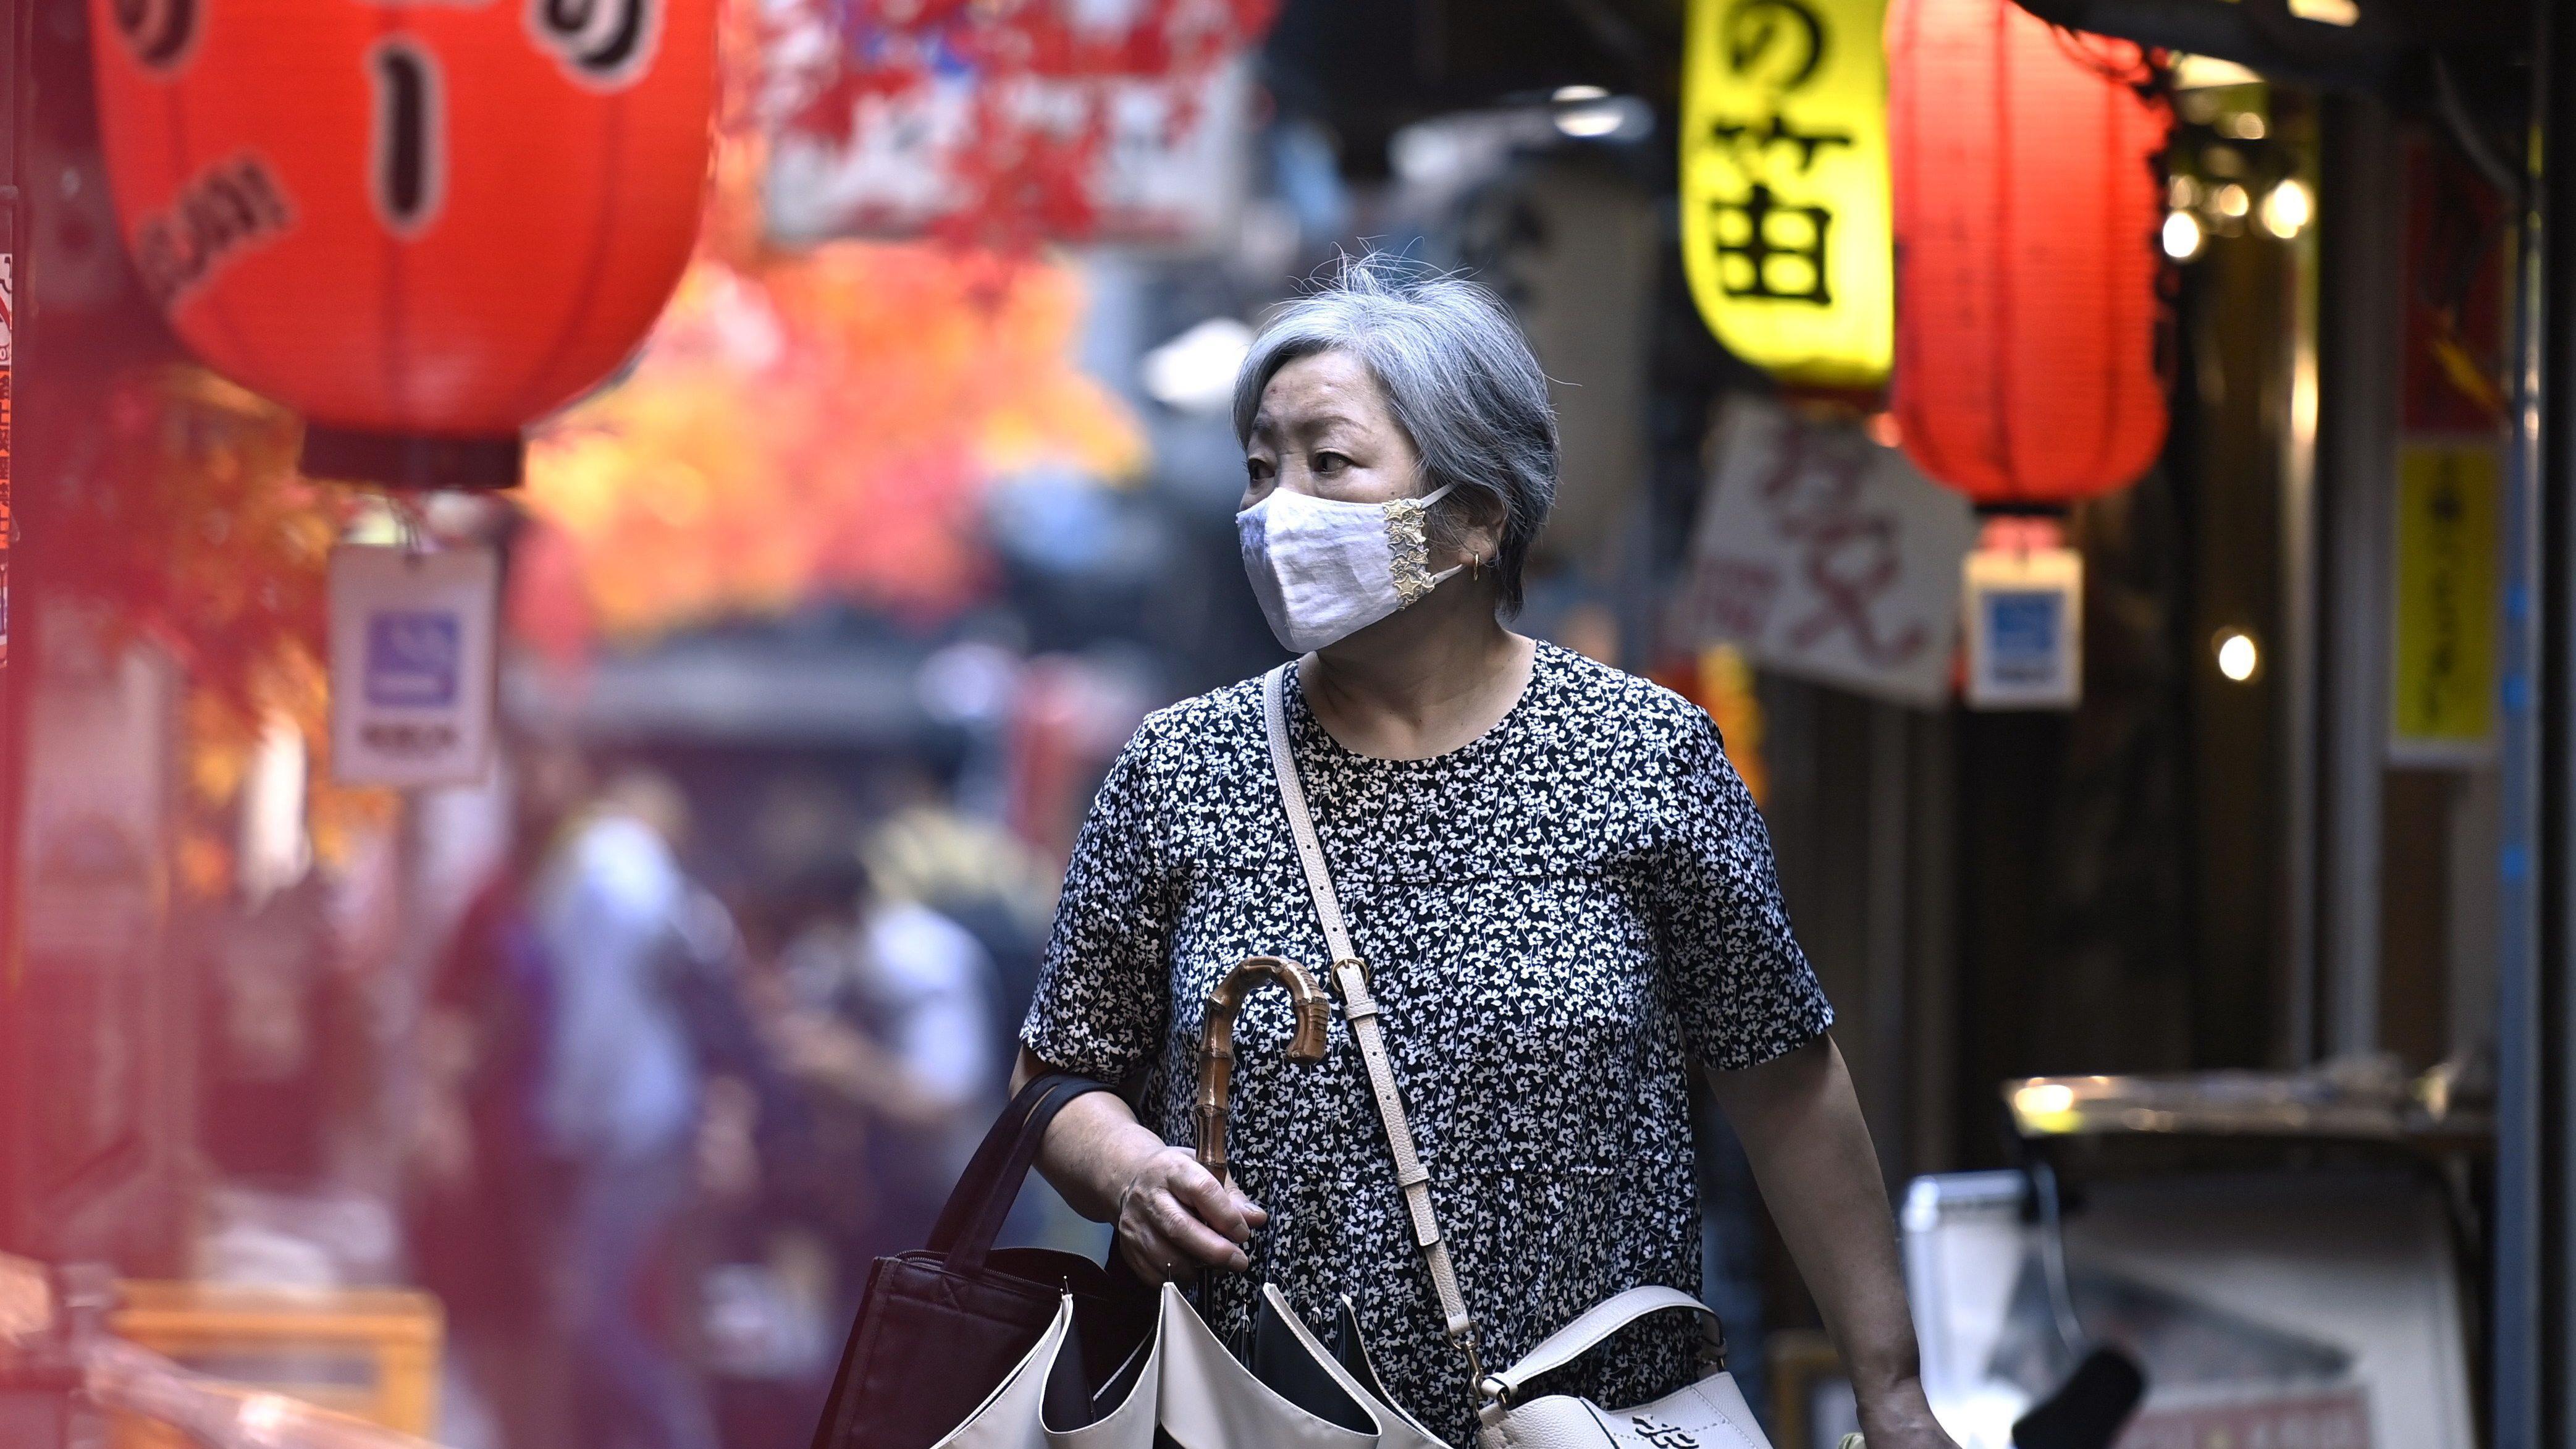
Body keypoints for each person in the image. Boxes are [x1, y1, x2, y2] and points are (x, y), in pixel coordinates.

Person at [1016, 258, 1958, 1448]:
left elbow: (1784, 1079)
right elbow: (1055, 1076)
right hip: (1253, 1419)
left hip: (1588, 1424)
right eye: (1261, 468)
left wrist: (1893, 1391)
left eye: (1330, 461)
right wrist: (1129, 1172)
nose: (1276, 510)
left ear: (1474, 520)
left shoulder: (1645, 754)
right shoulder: (1183, 771)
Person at [533, 769, 721, 1449]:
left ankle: (678, 1434)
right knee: (632, 1305)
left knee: (596, 1310)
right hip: (649, 1115)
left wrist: (568, 1118)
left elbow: (596, 1015)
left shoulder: (608, 871)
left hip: (622, 1123)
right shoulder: (639, 875)